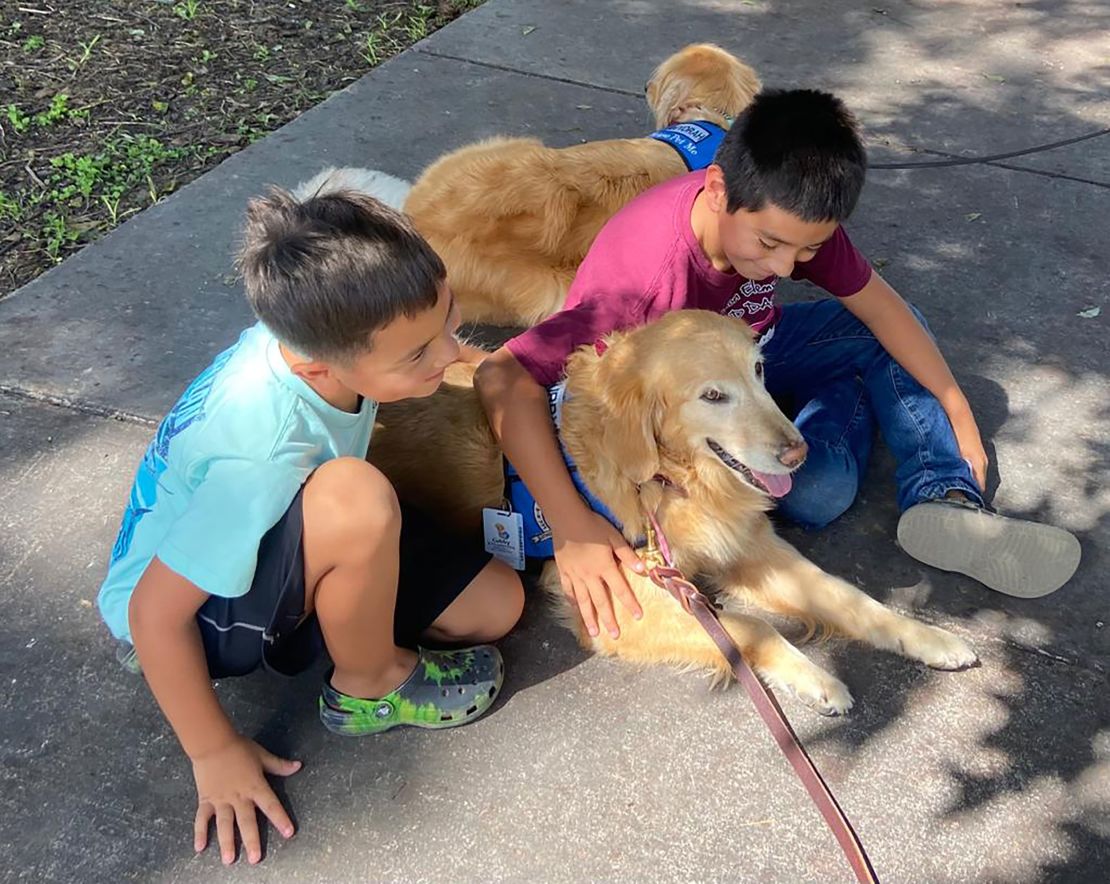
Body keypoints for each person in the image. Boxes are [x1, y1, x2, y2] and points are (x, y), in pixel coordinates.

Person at [474, 88, 1080, 640]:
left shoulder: (790, 215)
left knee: (891, 334)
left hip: (756, 359)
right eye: (770, 246)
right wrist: (572, 523)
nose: (790, 268)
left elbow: (884, 309)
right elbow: (502, 375)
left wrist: (954, 407)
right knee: (814, 494)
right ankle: (863, 388)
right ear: (717, 191)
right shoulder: (639, 283)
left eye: (809, 250)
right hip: (697, 403)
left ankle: (943, 492)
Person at [98, 188, 524, 865]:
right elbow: (153, 614)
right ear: (319, 365)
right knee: (358, 497)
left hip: (274, 527)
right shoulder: (262, 446)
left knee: (495, 605)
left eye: (449, 318)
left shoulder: (325, 338)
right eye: (418, 354)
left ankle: (342, 595)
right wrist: (213, 751)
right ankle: (367, 687)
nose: (448, 354)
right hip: (187, 615)